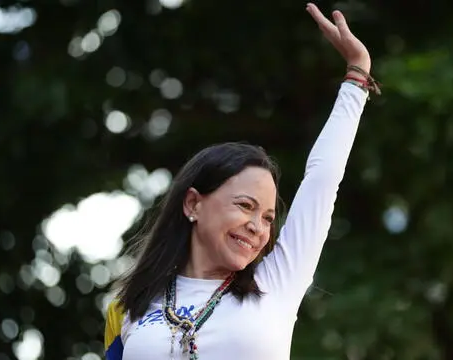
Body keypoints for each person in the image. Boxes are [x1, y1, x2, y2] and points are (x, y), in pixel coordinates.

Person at [103, 3, 380, 359]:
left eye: (267, 218)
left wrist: (357, 77)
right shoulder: (131, 306)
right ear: (193, 204)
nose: (257, 228)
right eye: (245, 206)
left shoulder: (276, 283)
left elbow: (322, 180)